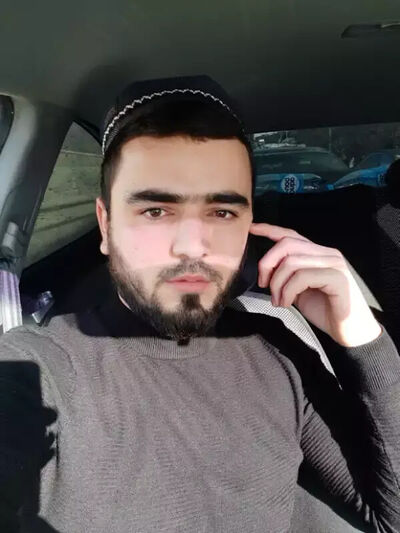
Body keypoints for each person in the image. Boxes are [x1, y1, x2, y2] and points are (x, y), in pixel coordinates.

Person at [0, 75, 399, 533]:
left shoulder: (277, 352)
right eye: (156, 210)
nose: (192, 246)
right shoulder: (38, 370)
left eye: (222, 212)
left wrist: (362, 336)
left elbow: (390, 515)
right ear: (106, 226)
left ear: (250, 223)